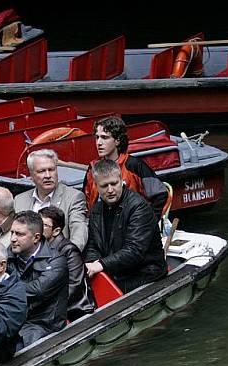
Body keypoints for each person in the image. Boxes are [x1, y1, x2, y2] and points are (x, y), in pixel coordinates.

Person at [84, 159, 168, 293]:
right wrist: (92, 264)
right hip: (115, 270)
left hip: (145, 272)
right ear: (97, 186)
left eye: (114, 184)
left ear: (121, 180)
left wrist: (101, 264)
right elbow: (93, 245)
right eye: (105, 186)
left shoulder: (138, 207)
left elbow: (134, 251)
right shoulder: (96, 209)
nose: (110, 190)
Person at [82, 115, 168, 217]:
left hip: (133, 226)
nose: (99, 143)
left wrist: (147, 223)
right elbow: (86, 202)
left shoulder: (134, 166)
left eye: (104, 137)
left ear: (117, 140)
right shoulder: (93, 168)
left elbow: (160, 195)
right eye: (97, 137)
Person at [8, 211, 69, 348]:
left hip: (43, 324)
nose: (12, 238)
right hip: (12, 317)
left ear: (36, 238)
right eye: (12, 232)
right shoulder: (8, 255)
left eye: (19, 234)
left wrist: (3, 287)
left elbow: (38, 291)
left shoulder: (56, 261)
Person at [14, 149, 89, 251]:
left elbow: (79, 234)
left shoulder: (73, 197)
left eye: (51, 170)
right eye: (42, 171)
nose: (48, 175)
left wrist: (68, 257)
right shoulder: (19, 200)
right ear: (31, 176)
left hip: (58, 260)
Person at [39, 206, 94, 322]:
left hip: (76, 312)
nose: (37, 228)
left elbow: (73, 286)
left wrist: (43, 306)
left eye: (43, 225)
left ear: (56, 231)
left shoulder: (69, 251)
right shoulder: (38, 248)